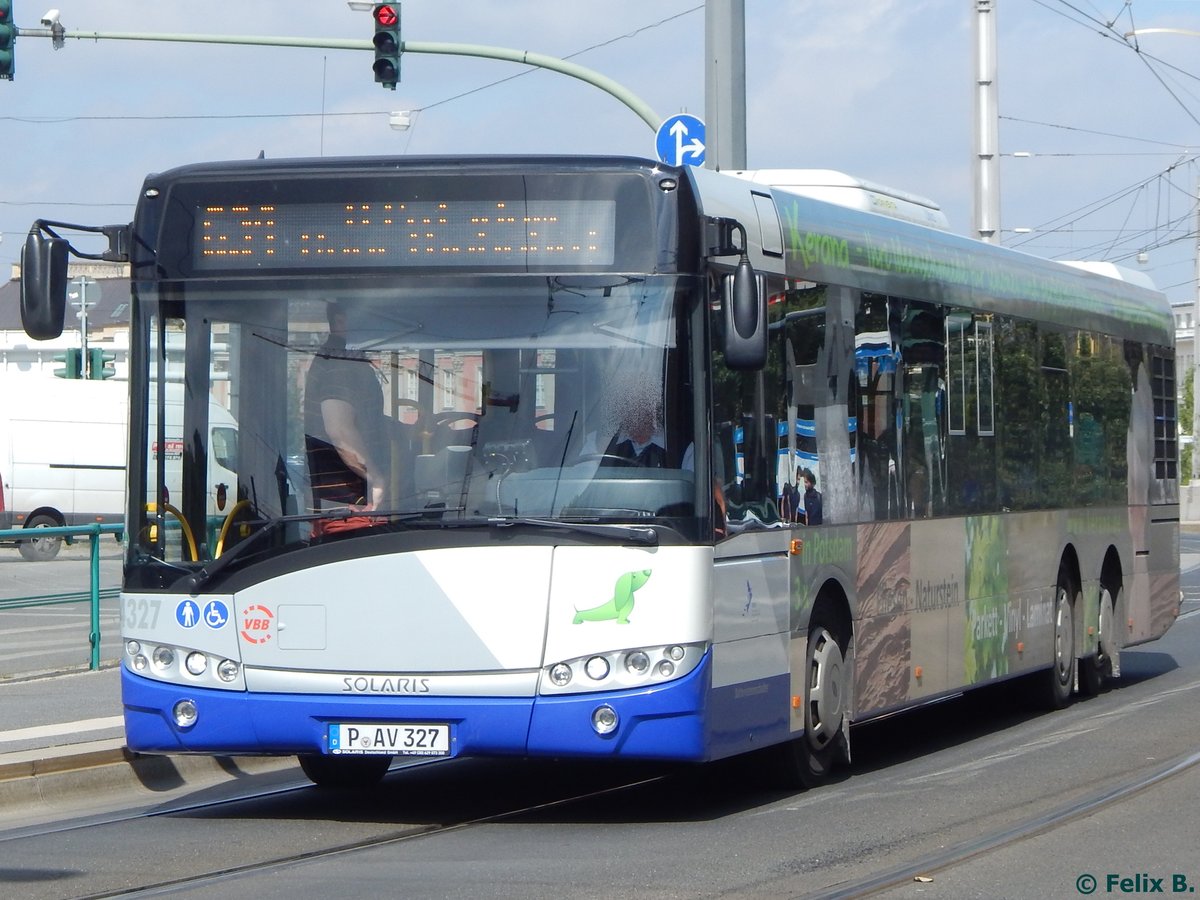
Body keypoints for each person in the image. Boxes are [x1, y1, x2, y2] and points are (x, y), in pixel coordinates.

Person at [304, 303, 391, 510]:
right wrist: (375, 478)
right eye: (368, 320)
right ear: (341, 321)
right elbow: (339, 429)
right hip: (352, 502)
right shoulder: (341, 361)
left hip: (341, 499)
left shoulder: (334, 357)